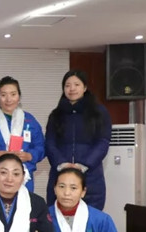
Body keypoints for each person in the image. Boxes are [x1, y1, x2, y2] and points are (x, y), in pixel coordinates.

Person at [45, 70, 112, 210]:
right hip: (60, 174)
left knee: (91, 218)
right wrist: (62, 164)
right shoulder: (56, 115)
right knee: (57, 217)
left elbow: (103, 142)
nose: (72, 89)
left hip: (91, 176)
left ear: (85, 87)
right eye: (67, 85)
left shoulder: (99, 112)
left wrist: (83, 165)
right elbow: (50, 143)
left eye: (76, 84)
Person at [0, 76, 45, 193]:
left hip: (23, 176)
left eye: (13, 94)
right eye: (3, 95)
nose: (8, 99)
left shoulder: (30, 120)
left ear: (19, 97)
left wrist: (30, 156)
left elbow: (41, 146)